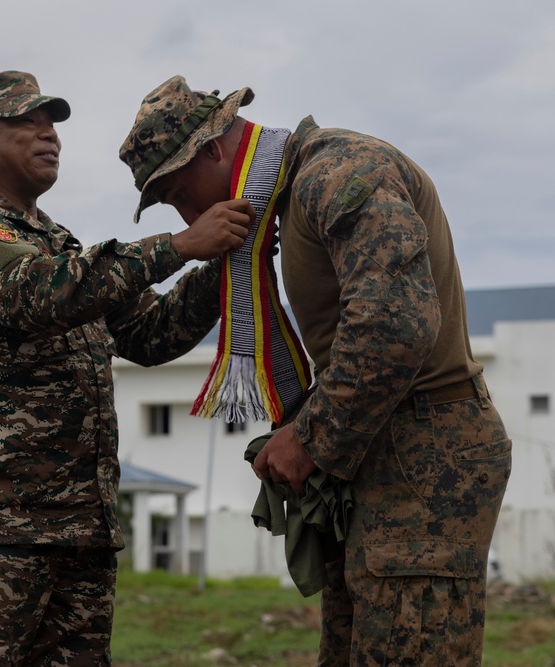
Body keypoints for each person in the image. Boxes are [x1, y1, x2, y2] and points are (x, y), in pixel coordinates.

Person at [120, 76, 511, 665]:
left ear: (214, 150)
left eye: (178, 192)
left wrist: (307, 440)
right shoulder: (294, 195)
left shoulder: (335, 172)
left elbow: (394, 324)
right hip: (388, 452)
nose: (188, 211)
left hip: (426, 455)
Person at [0, 70, 255, 666]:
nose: (49, 135)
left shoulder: (60, 246)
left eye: (52, 123)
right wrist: (179, 246)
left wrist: (223, 266)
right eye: (25, 122)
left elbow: (148, 335)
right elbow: (36, 294)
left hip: (81, 529)